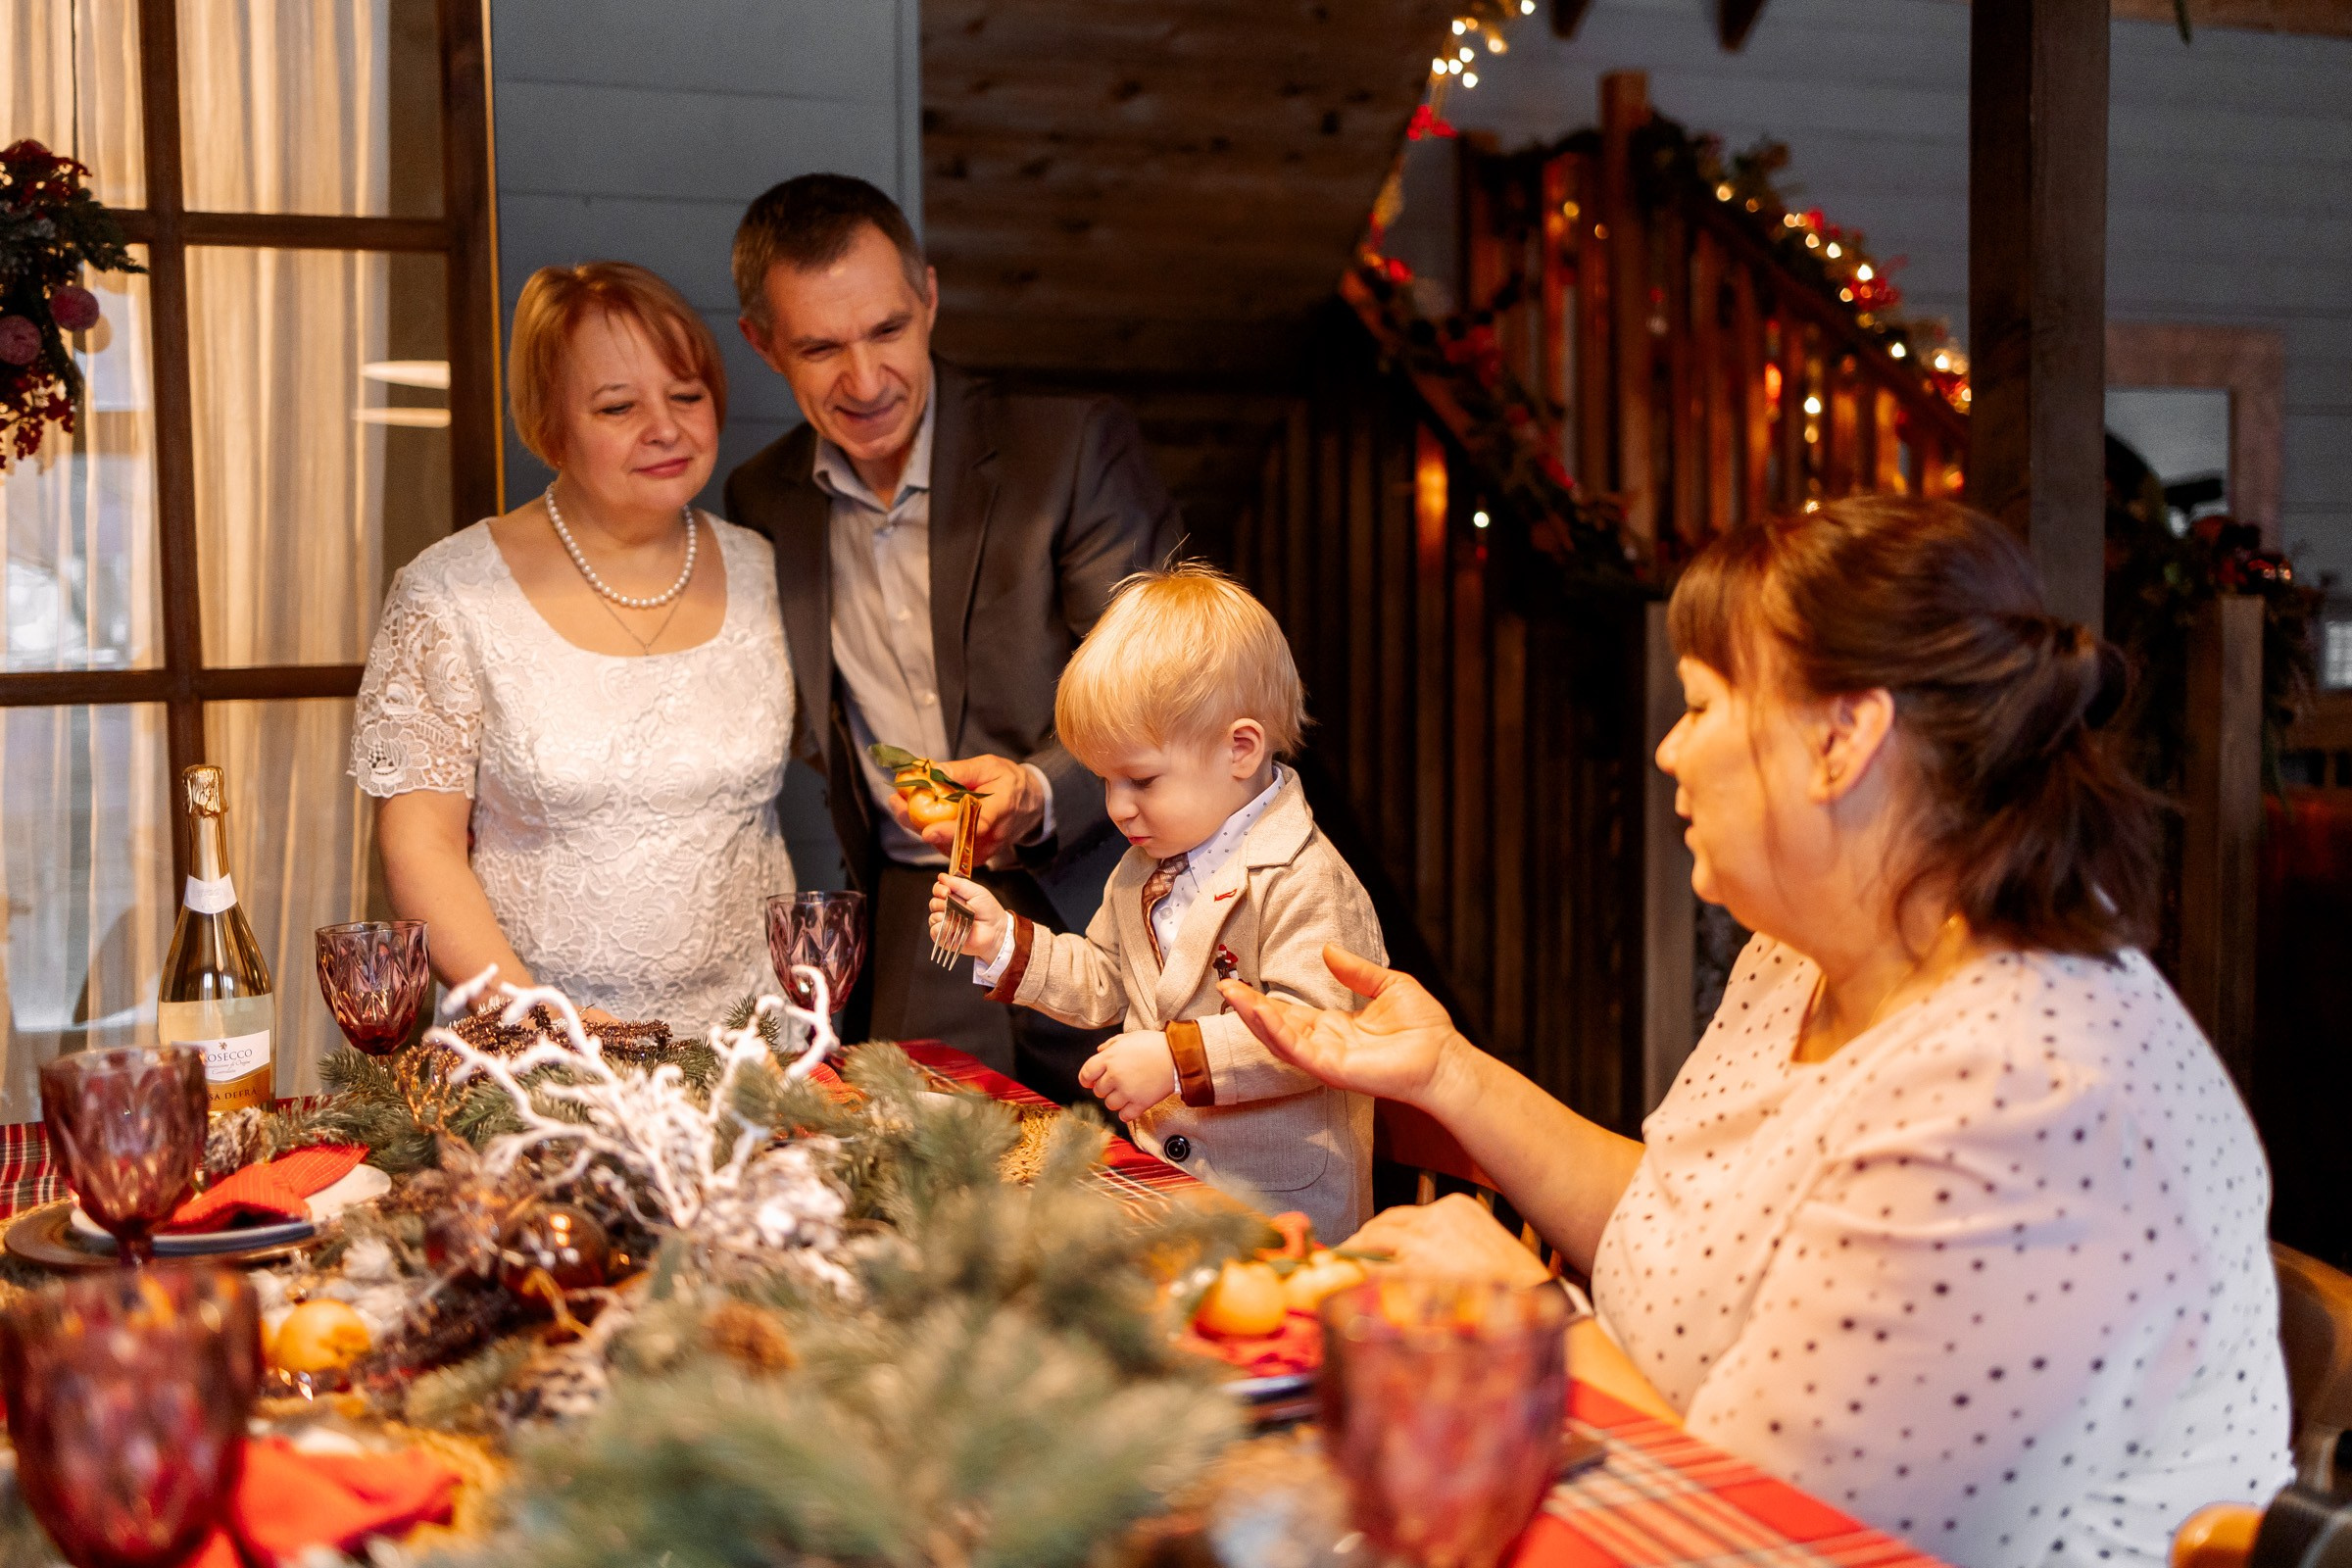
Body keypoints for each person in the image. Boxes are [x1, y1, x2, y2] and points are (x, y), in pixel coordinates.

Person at [1217, 497, 2293, 1568]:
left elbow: (1758, 1536)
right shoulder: (1802, 958)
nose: (1670, 752)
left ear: (1841, 738)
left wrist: (1522, 1318)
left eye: (1699, 704)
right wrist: (1450, 1073)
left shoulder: (2025, 1097)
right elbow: (1680, 1223)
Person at [723, 173, 1182, 1097]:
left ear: (928, 298)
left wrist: (1037, 791)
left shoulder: (1069, 447)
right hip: (916, 924)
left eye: (887, 330)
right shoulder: (760, 501)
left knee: (1136, 1201)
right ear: (764, 346)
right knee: (914, 1194)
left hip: (1113, 900)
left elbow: (1166, 681)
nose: (865, 380)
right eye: (820, 347)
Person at [352, 262, 796, 1031]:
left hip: (753, 1046)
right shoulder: (449, 593)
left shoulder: (768, 567)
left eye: (687, 395)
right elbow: (421, 846)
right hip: (546, 1053)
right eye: (618, 406)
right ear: (549, 424)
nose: (666, 428)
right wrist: (534, 1018)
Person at [928, 564, 1380, 1242]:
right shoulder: (1144, 868)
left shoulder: (1307, 880)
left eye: (1140, 779)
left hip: (1281, 1220)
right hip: (1169, 1200)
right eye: (1106, 781)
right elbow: (1108, 980)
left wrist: (1174, 1060)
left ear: (1240, 748)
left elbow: (1317, 1036)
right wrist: (1006, 942)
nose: (1116, 808)